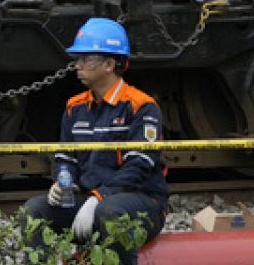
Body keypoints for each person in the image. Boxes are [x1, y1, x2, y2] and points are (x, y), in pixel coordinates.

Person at [21, 19, 166, 263]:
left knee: (112, 212)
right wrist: (63, 182)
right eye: (77, 58)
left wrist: (98, 198)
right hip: (93, 200)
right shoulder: (74, 107)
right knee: (34, 211)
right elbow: (66, 157)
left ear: (109, 64)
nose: (77, 65)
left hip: (141, 202)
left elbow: (138, 167)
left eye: (85, 58)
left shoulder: (141, 107)